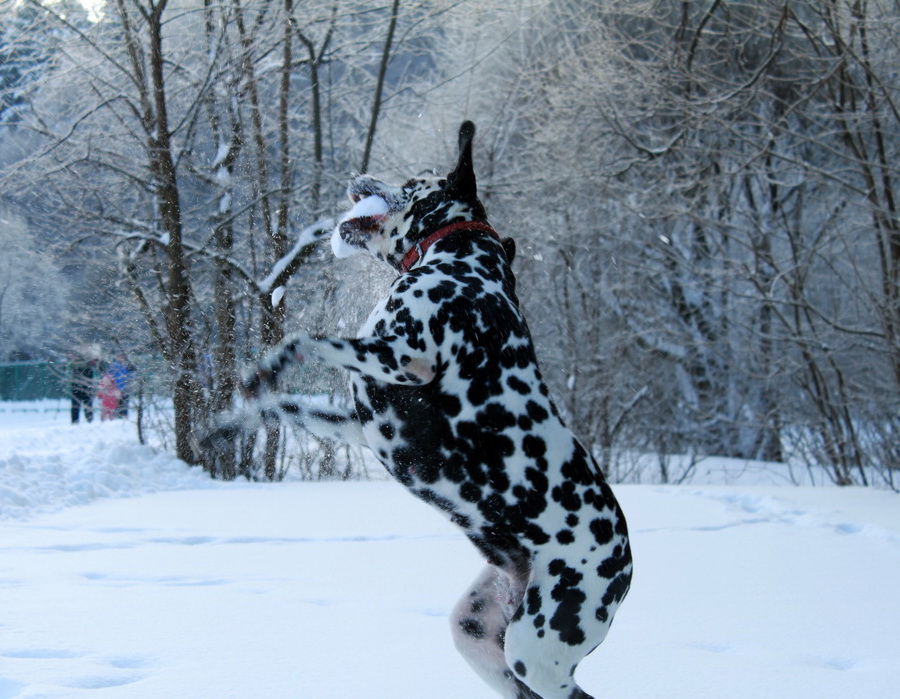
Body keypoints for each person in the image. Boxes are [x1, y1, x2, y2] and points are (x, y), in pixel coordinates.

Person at [69, 354, 97, 423]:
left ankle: (82, 420)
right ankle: (87, 420)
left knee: (81, 405)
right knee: (84, 404)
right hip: (80, 387)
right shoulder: (78, 364)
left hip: (81, 387)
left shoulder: (77, 364)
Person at [108, 352, 136, 418]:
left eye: (122, 356)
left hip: (125, 387)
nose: (121, 358)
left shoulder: (127, 365)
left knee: (125, 402)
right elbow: (110, 375)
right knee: (116, 402)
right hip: (116, 387)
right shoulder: (114, 365)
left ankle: (124, 415)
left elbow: (132, 375)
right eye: (120, 356)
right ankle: (117, 415)